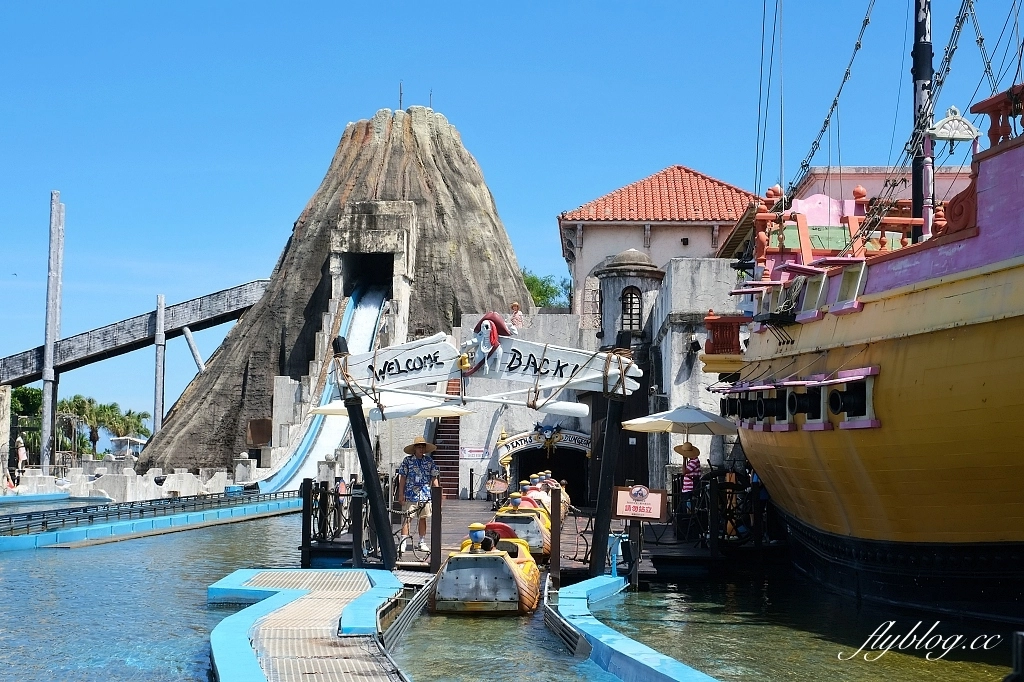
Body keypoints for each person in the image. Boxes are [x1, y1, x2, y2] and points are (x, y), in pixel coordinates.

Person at [397, 436, 440, 553]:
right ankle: (403, 542)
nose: (421, 449)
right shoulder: (407, 461)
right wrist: (401, 494)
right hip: (410, 494)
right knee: (407, 518)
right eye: (419, 447)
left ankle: (422, 541)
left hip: (425, 495)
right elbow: (402, 478)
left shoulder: (429, 461)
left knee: (423, 519)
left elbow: (434, 478)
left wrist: (437, 496)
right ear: (414, 449)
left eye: (422, 447)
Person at [675, 442, 702, 513]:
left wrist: (684, 460)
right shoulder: (691, 461)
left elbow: (684, 472)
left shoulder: (694, 461)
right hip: (687, 487)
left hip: (690, 487)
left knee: (686, 504)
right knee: (683, 503)